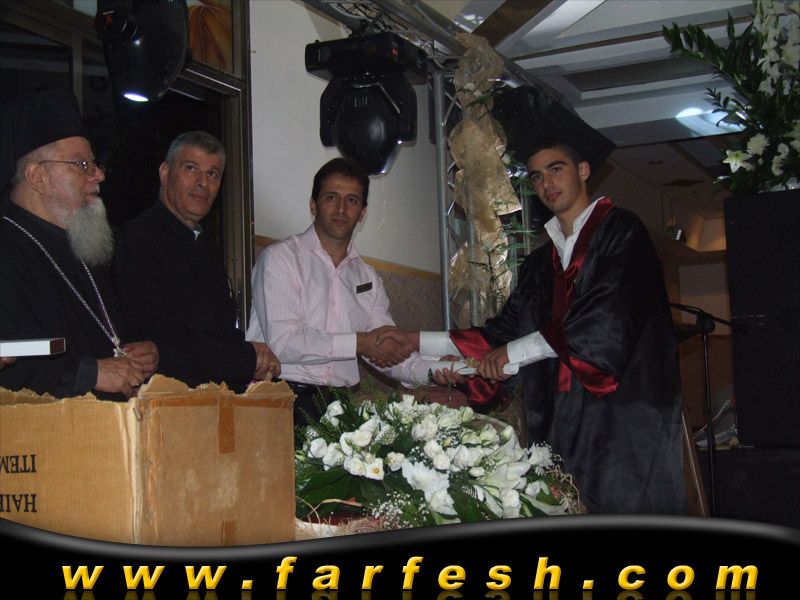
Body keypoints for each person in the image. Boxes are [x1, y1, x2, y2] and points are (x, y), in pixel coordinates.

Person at [384, 103, 688, 514]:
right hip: (559, 425)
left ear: (584, 170)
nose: (547, 183)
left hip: (621, 422)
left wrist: (511, 353)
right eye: (537, 176)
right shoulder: (540, 265)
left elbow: (603, 324)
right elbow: (500, 333)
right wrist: (415, 340)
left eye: (556, 169)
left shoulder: (622, 233)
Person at [246, 157, 446, 425]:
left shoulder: (368, 277)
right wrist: (361, 343)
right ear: (313, 205)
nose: (341, 209)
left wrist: (439, 369)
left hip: (340, 407)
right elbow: (285, 342)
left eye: (352, 200)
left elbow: (385, 348)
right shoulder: (280, 258)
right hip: (280, 398)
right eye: (332, 197)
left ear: (362, 213)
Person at [0, 89, 158, 399]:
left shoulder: (82, 244)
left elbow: (101, 335)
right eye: (82, 164)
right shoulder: (7, 251)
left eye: (94, 164)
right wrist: (90, 373)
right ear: (37, 177)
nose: (99, 175)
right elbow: (11, 365)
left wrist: (140, 352)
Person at [113, 131, 280, 392]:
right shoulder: (137, 241)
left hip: (210, 399)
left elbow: (218, 333)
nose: (202, 182)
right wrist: (248, 358)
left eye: (212, 173)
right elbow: (166, 342)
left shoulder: (206, 250)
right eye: (191, 169)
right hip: (159, 400)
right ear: (165, 173)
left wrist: (252, 359)